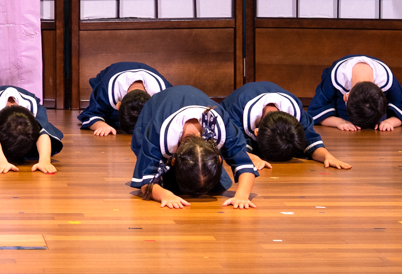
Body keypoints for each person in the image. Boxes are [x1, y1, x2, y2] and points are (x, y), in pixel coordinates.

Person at [130, 85, 259, 210]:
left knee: (210, 183)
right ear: (173, 161)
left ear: (219, 159)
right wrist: (165, 195)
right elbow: (146, 183)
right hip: (155, 110)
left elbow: (244, 163)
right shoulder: (157, 131)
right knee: (167, 184)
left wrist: (242, 196)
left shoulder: (222, 124)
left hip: (194, 102)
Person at [221, 81, 350, 170]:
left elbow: (311, 140)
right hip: (235, 112)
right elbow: (234, 146)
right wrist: (250, 156)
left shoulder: (296, 111)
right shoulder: (236, 111)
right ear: (257, 132)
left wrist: (327, 156)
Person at [0, 85, 63, 174]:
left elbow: (43, 131)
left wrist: (44, 161)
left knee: (43, 134)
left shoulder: (34, 107)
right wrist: (1, 161)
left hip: (22, 123)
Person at [307, 55, 402, 131]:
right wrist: (339, 122)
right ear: (346, 96)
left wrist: (390, 122)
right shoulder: (335, 77)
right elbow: (314, 112)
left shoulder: (387, 79)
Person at [78, 62, 171, 136]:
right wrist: (101, 125)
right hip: (111, 74)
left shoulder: (165, 92)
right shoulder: (106, 89)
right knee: (109, 118)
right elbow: (90, 114)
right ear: (118, 105)